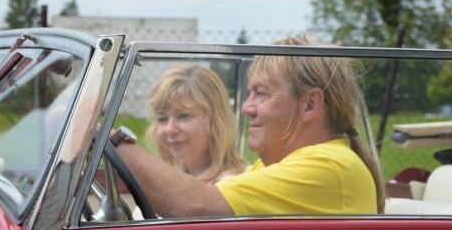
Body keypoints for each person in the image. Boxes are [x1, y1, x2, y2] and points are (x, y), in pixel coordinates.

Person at [110, 33, 385, 218]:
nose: (246, 108)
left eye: (261, 93)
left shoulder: (329, 165)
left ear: (310, 105)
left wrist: (110, 141)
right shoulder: (280, 165)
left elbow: (196, 206)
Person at [146, 65, 247, 183]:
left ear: (216, 120)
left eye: (184, 116)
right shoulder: (172, 179)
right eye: (162, 119)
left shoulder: (230, 185)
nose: (169, 129)